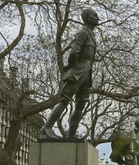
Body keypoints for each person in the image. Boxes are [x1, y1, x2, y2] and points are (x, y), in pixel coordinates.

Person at [40, 8, 99, 139]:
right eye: (94, 15)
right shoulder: (82, 33)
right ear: (88, 18)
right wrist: (73, 67)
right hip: (77, 72)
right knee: (65, 100)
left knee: (81, 104)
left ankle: (71, 134)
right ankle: (47, 127)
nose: (97, 17)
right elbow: (73, 52)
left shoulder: (91, 35)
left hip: (86, 73)